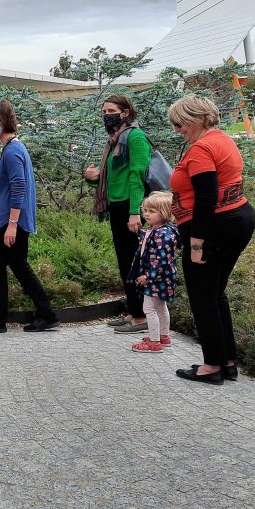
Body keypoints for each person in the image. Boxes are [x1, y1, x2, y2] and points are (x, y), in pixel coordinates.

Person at [167, 95, 255, 384]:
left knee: (203, 296)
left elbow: (205, 198)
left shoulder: (202, 148)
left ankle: (212, 367)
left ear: (195, 118)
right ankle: (226, 360)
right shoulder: (222, 139)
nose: (177, 129)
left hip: (214, 226)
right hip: (236, 218)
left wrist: (196, 244)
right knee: (215, 292)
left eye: (179, 123)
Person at [0, 101, 60, 334]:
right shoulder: (14, 147)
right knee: (19, 266)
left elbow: (19, 186)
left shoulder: (12, 151)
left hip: (13, 221)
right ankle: (46, 314)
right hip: (16, 220)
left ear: (4, 123)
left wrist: (11, 225)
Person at [85, 95, 151, 334]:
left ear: (125, 112)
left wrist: (135, 212)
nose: (106, 114)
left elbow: (137, 178)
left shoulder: (135, 137)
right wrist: (94, 180)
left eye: (111, 110)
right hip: (117, 206)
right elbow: (114, 179)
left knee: (135, 262)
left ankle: (142, 316)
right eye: (103, 111)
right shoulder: (115, 140)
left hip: (131, 208)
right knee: (125, 262)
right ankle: (134, 311)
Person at [126, 192, 180, 353]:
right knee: (161, 307)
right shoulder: (162, 231)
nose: (146, 214)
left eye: (152, 211)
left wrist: (148, 276)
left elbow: (161, 259)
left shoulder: (162, 234)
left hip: (156, 278)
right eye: (145, 210)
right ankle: (164, 336)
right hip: (164, 277)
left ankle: (154, 342)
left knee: (149, 308)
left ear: (164, 212)